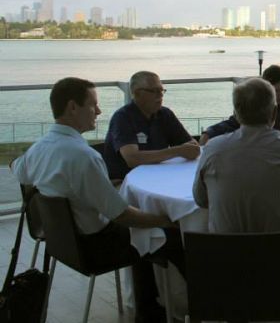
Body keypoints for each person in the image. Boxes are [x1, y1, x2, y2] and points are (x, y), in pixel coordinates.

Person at [11, 77, 185, 323]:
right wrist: (167, 220)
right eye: (93, 105)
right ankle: (179, 309)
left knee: (149, 233)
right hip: (96, 246)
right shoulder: (83, 156)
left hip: (65, 243)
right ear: (73, 107)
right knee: (172, 236)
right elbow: (122, 215)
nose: (99, 111)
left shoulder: (40, 147)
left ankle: (151, 308)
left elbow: (17, 168)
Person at [193, 78, 280, 322]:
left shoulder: (213, 149)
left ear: (236, 113)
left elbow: (201, 200)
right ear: (274, 112)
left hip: (225, 263)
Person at [103, 71, 200, 180]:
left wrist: (190, 149)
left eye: (161, 90)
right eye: (154, 91)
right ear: (137, 93)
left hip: (159, 176)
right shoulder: (123, 117)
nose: (160, 95)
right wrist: (178, 151)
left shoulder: (165, 114)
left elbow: (191, 145)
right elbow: (132, 159)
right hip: (124, 180)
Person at [201, 64, 280, 146]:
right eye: (271, 92)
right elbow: (236, 121)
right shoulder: (264, 102)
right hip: (268, 154)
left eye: (277, 91)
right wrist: (210, 132)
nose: (275, 96)